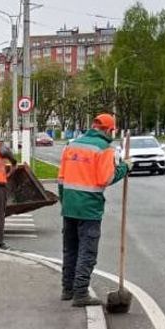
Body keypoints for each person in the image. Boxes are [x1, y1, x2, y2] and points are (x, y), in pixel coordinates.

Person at [58, 113, 131, 307]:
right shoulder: (104, 149)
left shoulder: (71, 145)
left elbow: (61, 179)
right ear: (108, 130)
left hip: (70, 206)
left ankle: (67, 289)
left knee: (70, 249)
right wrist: (125, 168)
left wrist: (64, 202)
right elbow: (105, 179)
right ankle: (81, 294)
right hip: (89, 208)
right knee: (87, 252)